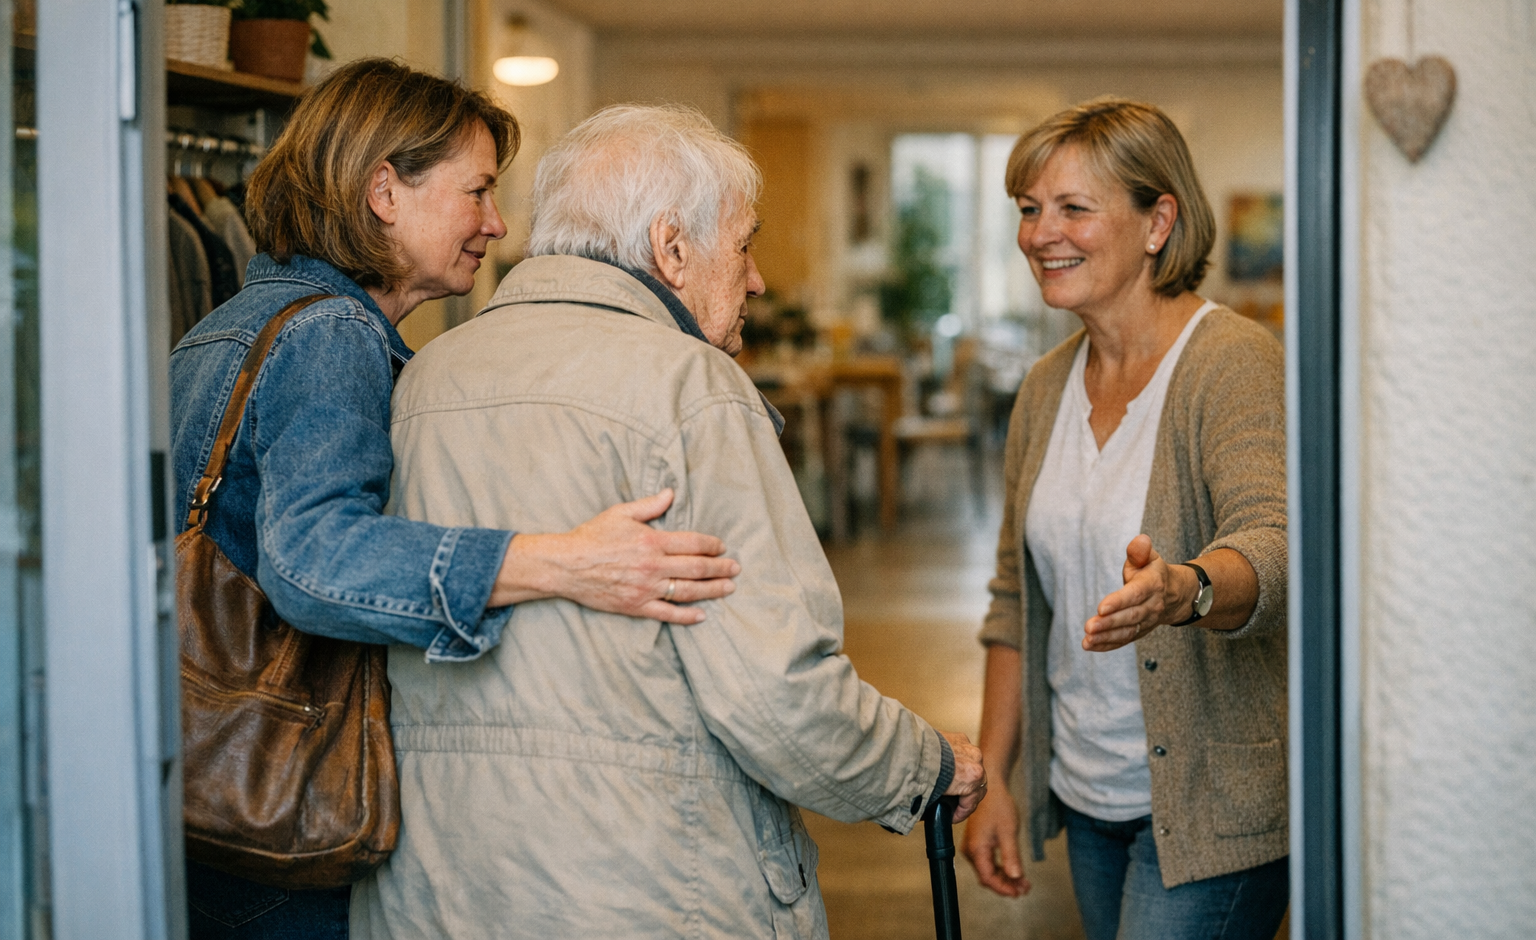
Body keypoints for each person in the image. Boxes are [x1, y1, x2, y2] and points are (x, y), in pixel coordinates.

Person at [350, 105, 987, 940]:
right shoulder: (691, 389)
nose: (756, 279)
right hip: (646, 894)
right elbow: (777, 698)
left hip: (436, 896)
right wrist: (924, 764)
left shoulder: (423, 377)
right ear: (671, 247)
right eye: (745, 244)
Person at [171, 63, 742, 940]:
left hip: (205, 786)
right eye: (477, 191)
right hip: (283, 809)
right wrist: (558, 561)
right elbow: (314, 562)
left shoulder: (230, 324)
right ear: (383, 191)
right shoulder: (331, 334)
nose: (496, 223)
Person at [961, 98, 1289, 940]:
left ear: (1158, 223)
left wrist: (1188, 587)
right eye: (1030, 210)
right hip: (1088, 793)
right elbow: (1013, 598)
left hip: (1210, 810)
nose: (1040, 234)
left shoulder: (1233, 361)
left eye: (1074, 208)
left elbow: (1277, 546)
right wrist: (995, 774)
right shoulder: (1044, 386)